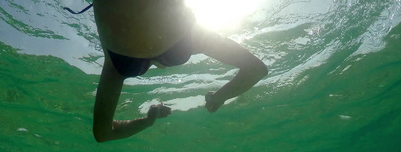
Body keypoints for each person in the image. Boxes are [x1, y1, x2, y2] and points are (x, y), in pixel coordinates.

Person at [90, 0, 268, 142]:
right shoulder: (197, 38)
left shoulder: (114, 70)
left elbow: (104, 134)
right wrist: (219, 97)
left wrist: (147, 121)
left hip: (127, 54)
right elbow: (256, 70)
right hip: (163, 42)